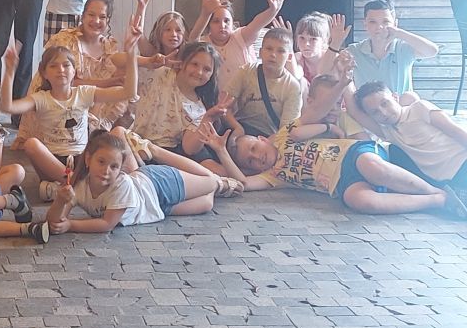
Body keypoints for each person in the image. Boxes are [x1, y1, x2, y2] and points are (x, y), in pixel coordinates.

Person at [199, 64, 467, 218]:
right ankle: (437, 199)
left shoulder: (284, 136)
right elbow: (244, 184)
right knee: (361, 202)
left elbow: (315, 110)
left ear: (262, 139)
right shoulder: (272, 176)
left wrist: (341, 85)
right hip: (340, 183)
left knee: (373, 168)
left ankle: (429, 190)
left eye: (254, 148)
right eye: (250, 161)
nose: (257, 157)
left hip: (354, 154)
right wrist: (221, 151)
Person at [0, 42, 135, 199]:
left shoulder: (83, 93)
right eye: (53, 66)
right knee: (31, 144)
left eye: (66, 65)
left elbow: (127, 93)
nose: (61, 70)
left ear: (74, 71)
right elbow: (8, 107)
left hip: (82, 161)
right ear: (44, 73)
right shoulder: (41, 98)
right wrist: (9, 72)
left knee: (116, 135)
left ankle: (66, 188)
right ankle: (81, 187)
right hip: (52, 162)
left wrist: (131, 54)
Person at [45, 129, 221, 235]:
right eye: (101, 162)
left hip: (157, 185)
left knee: (212, 181)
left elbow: (107, 224)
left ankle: (154, 150)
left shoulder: (121, 185)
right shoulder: (79, 185)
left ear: (121, 169)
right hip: (154, 208)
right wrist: (60, 201)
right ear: (88, 159)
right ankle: (218, 187)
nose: (106, 171)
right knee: (207, 203)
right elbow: (54, 221)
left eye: (114, 166)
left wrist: (71, 225)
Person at [17, 0, 133, 146]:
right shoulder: (66, 39)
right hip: (59, 96)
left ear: (108, 20)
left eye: (102, 17)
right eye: (91, 15)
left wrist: (141, 7)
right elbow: (67, 83)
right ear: (83, 16)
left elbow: (126, 67)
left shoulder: (109, 46)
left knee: (123, 86)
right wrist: (108, 83)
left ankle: (95, 133)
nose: (96, 21)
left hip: (88, 100)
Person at [353, 81, 467, 197]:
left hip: (462, 162)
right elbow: (355, 113)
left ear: (395, 97)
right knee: (393, 152)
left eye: (385, 103)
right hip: (444, 182)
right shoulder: (387, 132)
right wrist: (345, 81)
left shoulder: (419, 108)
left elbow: (455, 130)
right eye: (375, 112)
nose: (384, 113)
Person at [131, 41, 232, 167]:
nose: (199, 72)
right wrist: (147, 61)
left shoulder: (198, 109)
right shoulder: (161, 73)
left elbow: (189, 148)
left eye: (207, 69)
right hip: (132, 140)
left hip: (159, 155)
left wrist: (208, 118)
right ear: (183, 62)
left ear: (212, 75)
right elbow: (117, 61)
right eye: (194, 64)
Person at [190, 0, 288, 86]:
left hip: (249, 93)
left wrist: (272, 11)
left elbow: (258, 23)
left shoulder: (241, 36)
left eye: (227, 21)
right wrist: (205, 14)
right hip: (217, 95)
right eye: (216, 21)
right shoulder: (204, 44)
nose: (222, 25)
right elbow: (192, 40)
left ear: (233, 23)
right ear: (208, 25)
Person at [345, 0, 438, 93]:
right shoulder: (354, 51)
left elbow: (432, 51)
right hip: (365, 103)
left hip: (401, 102)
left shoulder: (403, 48)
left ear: (395, 23)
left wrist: (399, 33)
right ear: (365, 24)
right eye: (373, 22)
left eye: (385, 22)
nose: (379, 27)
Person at [227, 28, 304, 138]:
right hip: (241, 128)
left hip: (271, 136)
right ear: (260, 52)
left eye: (280, 51)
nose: (273, 54)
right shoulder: (246, 71)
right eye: (269, 49)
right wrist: (237, 128)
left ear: (289, 57)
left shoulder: (293, 87)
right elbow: (224, 107)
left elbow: (287, 129)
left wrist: (268, 143)